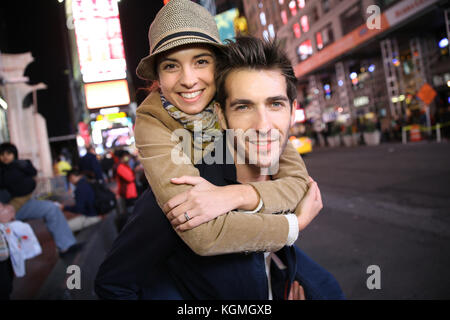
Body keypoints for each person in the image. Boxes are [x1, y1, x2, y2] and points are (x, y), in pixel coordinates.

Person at [95, 36, 344, 300]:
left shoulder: (279, 167)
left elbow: (263, 261)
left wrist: (241, 197)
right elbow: (112, 285)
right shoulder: (186, 194)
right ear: (221, 115)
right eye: (243, 106)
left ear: (292, 111)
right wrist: (295, 224)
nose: (263, 125)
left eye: (275, 104)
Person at [133, 0, 309, 259]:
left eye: (201, 61)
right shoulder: (151, 120)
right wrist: (295, 225)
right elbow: (202, 233)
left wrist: (235, 196)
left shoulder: (236, 100)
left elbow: (298, 183)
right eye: (171, 66)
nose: (189, 79)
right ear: (158, 77)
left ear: (218, 65)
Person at [0, 142, 82, 257]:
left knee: (52, 208)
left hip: (24, 203)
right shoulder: (3, 171)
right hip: (7, 208)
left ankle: (66, 246)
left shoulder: (22, 165)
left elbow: (30, 181)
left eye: (8, 153)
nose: (5, 157)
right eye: (2, 154)